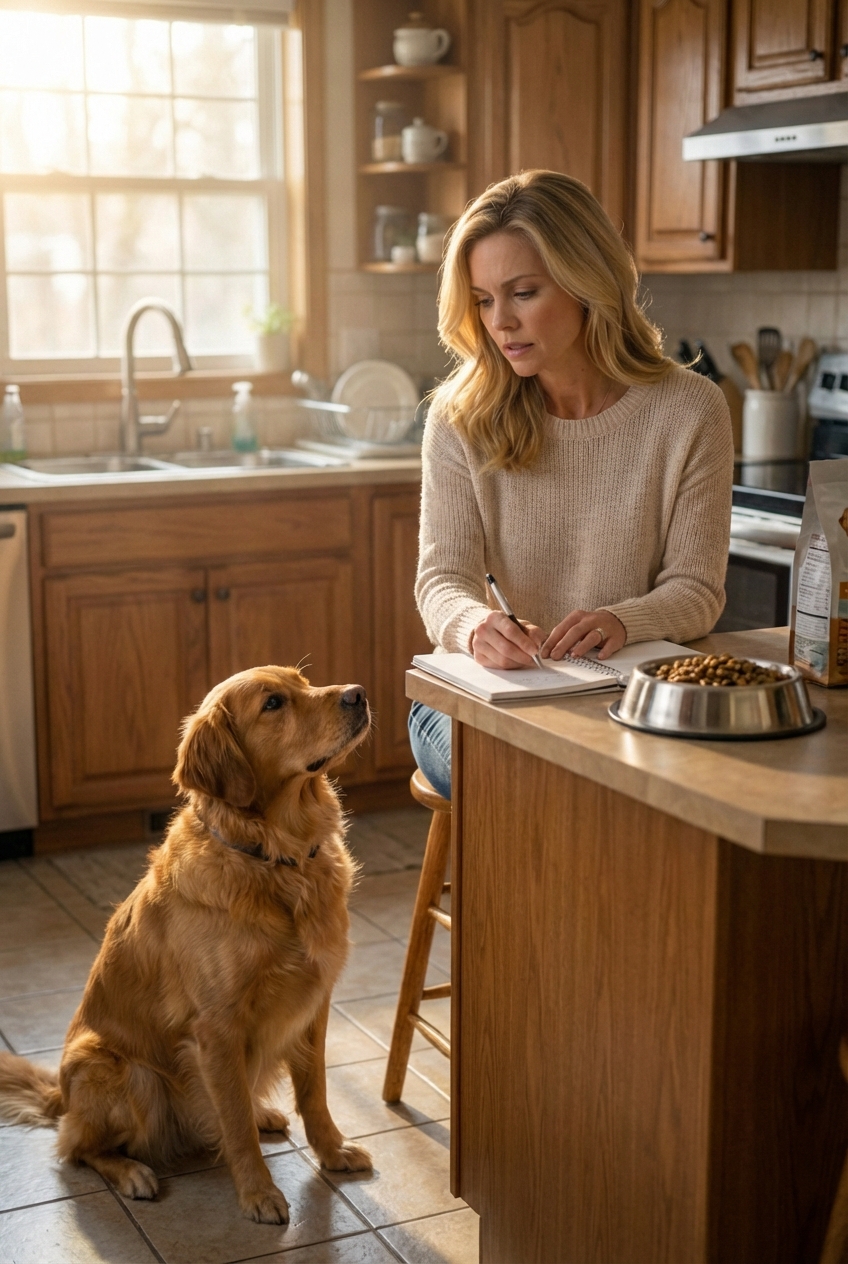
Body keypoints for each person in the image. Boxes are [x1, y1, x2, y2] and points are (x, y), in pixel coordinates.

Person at [408, 170, 734, 799]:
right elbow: (441, 580)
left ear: (588, 282)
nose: (499, 322)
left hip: (631, 696)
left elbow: (697, 591)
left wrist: (623, 620)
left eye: (523, 292)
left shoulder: (691, 411)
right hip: (483, 699)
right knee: (534, 781)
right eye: (481, 300)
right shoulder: (460, 417)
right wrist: (475, 625)